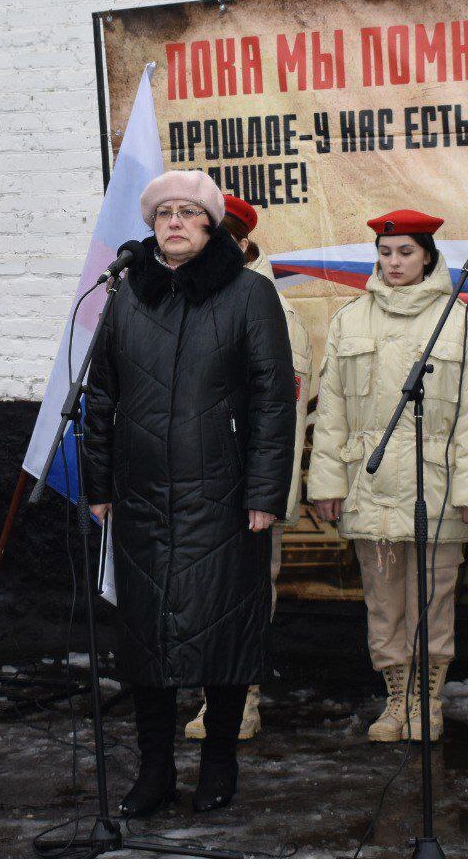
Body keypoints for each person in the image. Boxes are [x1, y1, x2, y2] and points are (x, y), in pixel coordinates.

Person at [83, 170, 296, 816]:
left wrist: (264, 492)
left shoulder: (249, 294)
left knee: (223, 633)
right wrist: (99, 485)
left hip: (224, 495)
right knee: (145, 638)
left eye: (188, 212)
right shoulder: (125, 296)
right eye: (163, 213)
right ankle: (152, 772)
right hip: (143, 495)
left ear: (210, 225)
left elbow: (271, 401)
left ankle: (219, 760)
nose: (174, 222)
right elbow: (100, 394)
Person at [308, 209, 467, 743]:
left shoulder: (459, 320)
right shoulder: (349, 320)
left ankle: (429, 700)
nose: (394, 262)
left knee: (434, 596)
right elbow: (329, 412)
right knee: (383, 600)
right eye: (385, 252)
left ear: (427, 255)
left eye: (405, 252)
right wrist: (327, 482)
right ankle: (396, 701)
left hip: (438, 485)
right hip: (371, 484)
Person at [185, 195, 313, 743]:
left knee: (247, 594)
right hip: (192, 483)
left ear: (239, 244)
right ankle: (210, 695)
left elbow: (284, 414)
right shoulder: (181, 300)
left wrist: (265, 491)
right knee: (197, 594)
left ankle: (241, 701)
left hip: (247, 488)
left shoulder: (273, 311)